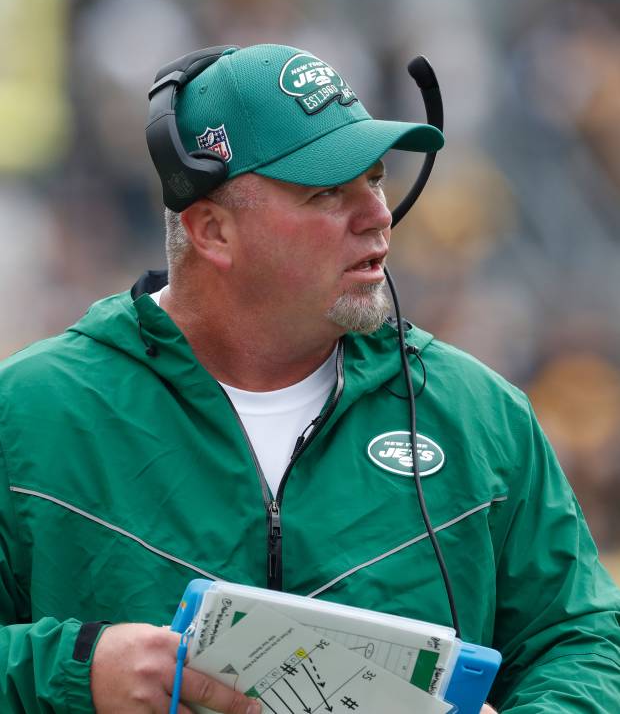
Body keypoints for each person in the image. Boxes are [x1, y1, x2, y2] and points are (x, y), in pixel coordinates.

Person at [0, 43, 618, 714]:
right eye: (328, 191)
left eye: (376, 179)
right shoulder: (31, 415)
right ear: (213, 230)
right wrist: (74, 670)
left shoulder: (479, 417)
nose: (378, 214)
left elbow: (581, 639)